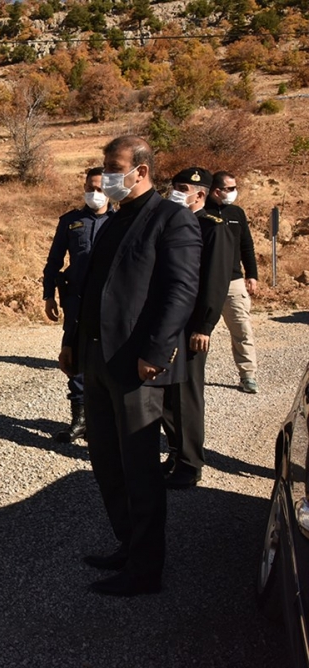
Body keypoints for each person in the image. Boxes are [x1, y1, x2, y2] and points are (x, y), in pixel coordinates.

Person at [59, 136, 201, 597]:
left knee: (139, 468)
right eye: (104, 166)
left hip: (137, 366)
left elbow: (180, 291)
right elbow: (89, 290)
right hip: (98, 359)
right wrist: (72, 343)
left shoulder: (171, 219)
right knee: (106, 461)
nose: (106, 175)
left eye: (114, 166)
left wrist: (156, 354)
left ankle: (145, 570)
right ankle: (129, 544)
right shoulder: (115, 219)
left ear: (141, 170)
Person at [161, 167, 234, 490]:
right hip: (167, 321)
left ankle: (190, 464)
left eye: (182, 188)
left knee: (186, 395)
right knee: (165, 393)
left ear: (200, 194)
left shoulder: (213, 228)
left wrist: (204, 325)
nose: (174, 193)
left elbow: (215, 282)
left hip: (191, 325)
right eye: (174, 187)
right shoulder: (173, 223)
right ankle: (175, 452)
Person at [42, 167, 110, 443]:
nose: (95, 193)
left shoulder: (121, 221)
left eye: (100, 188)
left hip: (108, 303)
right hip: (76, 300)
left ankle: (103, 421)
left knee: (107, 360)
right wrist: (48, 295)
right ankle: (80, 420)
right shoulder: (71, 221)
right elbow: (54, 260)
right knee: (75, 357)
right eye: (90, 188)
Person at [205, 171, 259, 394]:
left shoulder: (237, 213)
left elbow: (247, 245)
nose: (234, 192)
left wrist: (252, 275)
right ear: (217, 191)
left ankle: (248, 375)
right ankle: (192, 376)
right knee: (199, 331)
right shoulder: (201, 212)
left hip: (234, 281)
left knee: (242, 330)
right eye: (230, 188)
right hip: (206, 283)